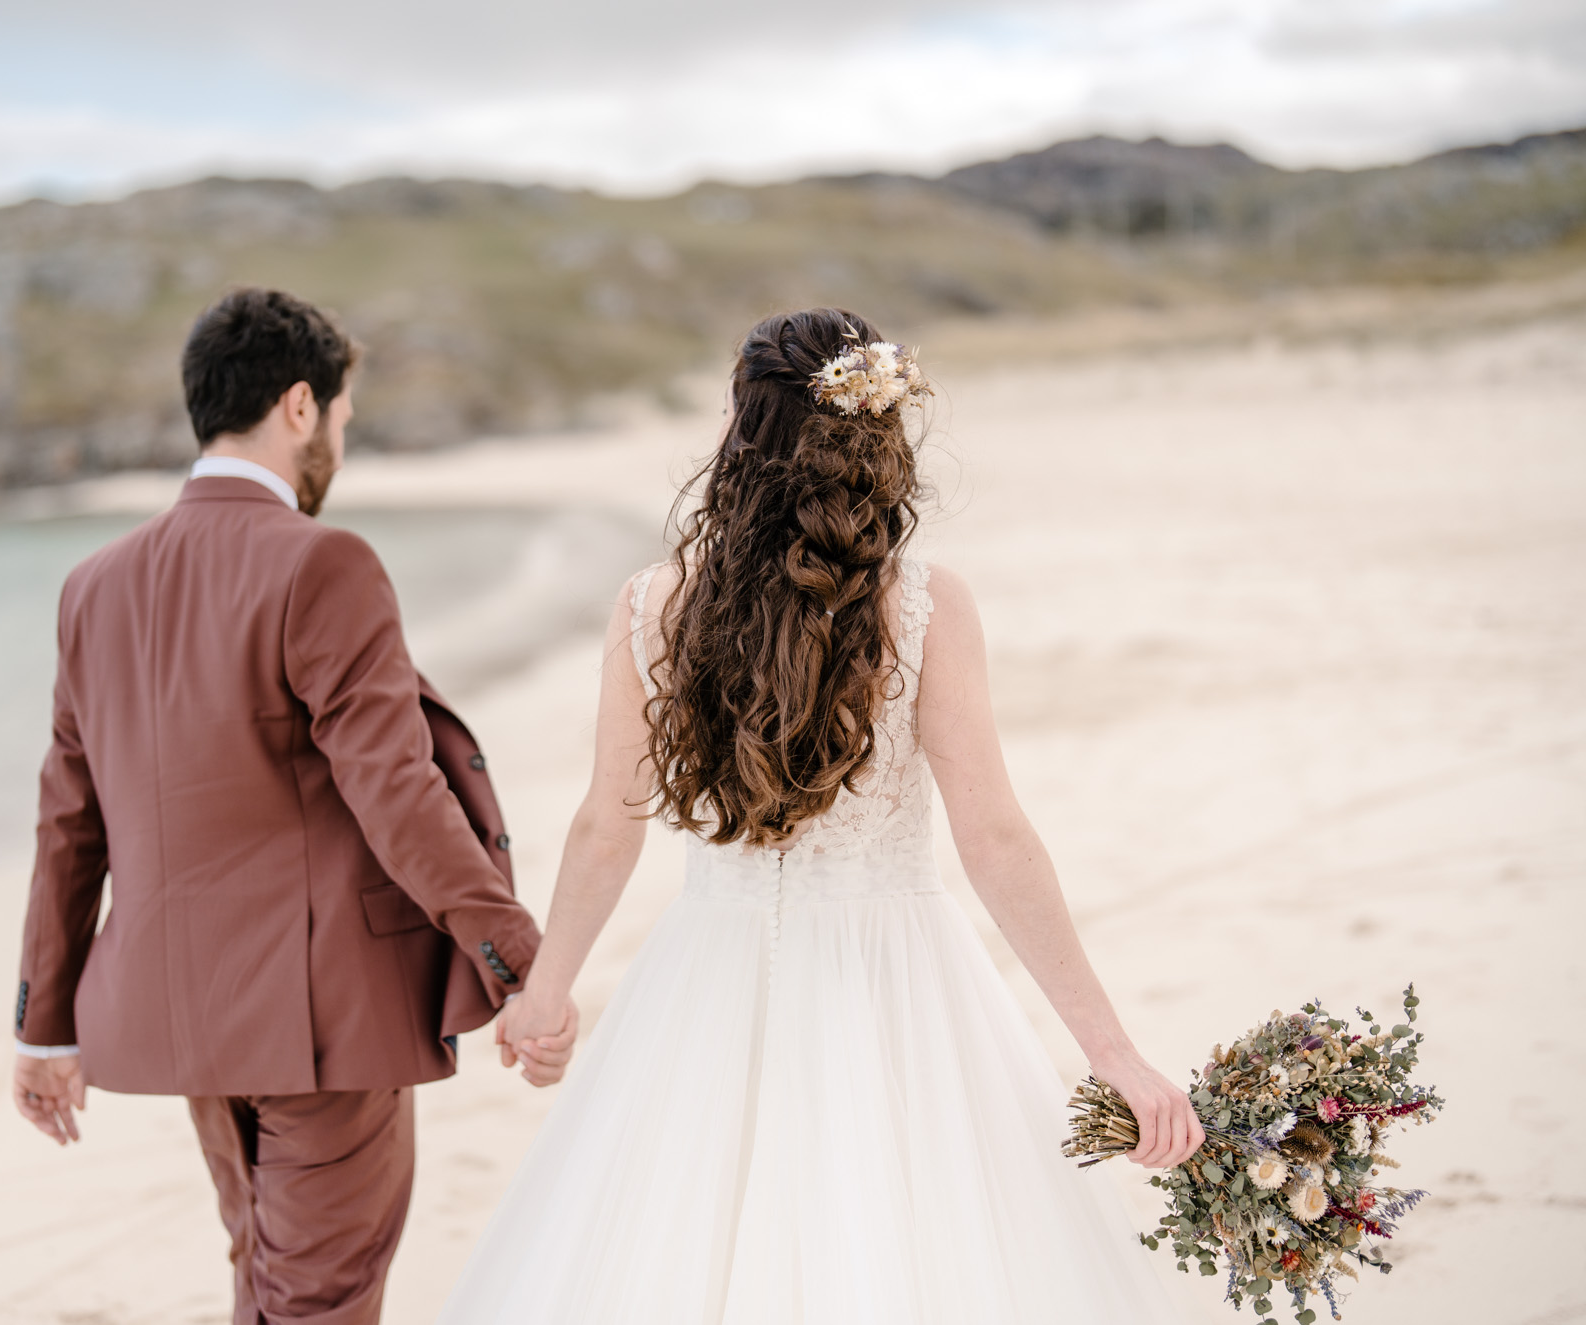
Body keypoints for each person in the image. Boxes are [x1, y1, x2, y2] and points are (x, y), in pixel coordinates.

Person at [448, 306, 1204, 1322]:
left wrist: (547, 993)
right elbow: (993, 837)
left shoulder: (650, 605)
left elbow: (604, 822)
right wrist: (1110, 1051)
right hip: (894, 976)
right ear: (877, 435)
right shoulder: (924, 605)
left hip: (703, 975)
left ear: (739, 434)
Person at [9, 287, 576, 1325]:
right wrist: (515, 952)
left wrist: (43, 1027)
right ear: (301, 406)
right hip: (323, 1016)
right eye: (345, 423)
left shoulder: (91, 585)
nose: (339, 449)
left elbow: (67, 820)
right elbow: (394, 787)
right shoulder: (324, 560)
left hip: (182, 1013)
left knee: (267, 1277)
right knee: (317, 1298)